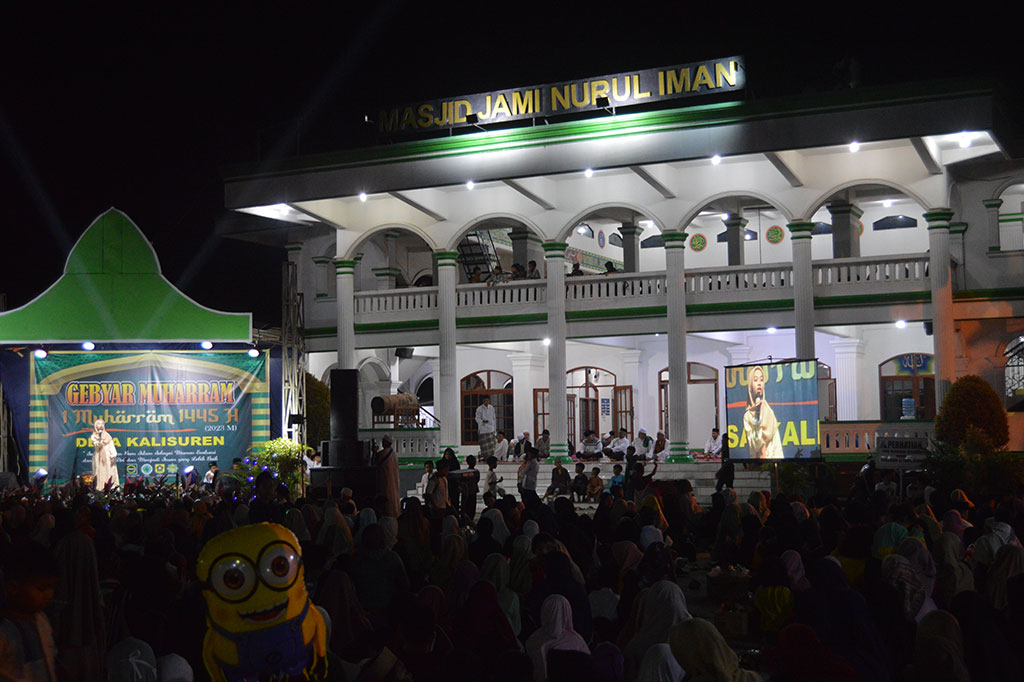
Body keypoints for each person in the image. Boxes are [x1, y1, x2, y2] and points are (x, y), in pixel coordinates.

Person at [0, 541, 58, 682]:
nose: (49, 595)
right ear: (13, 588)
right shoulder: (4, 631)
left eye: (51, 588)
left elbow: (51, 658)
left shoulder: (41, 620)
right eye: (41, 589)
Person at [743, 365, 783, 459]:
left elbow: (777, 445)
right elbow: (755, 445)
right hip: (757, 462)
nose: (759, 383)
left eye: (761, 380)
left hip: (773, 461)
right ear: (750, 386)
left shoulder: (769, 412)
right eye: (755, 380)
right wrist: (757, 414)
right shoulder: (747, 416)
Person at [371, 435, 401, 518]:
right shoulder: (393, 454)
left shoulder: (383, 453)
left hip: (385, 481)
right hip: (393, 481)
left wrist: (374, 452)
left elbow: (374, 462)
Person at [90, 418, 119, 490]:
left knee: (109, 472)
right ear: (96, 426)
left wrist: (113, 456)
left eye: (102, 424)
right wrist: (100, 439)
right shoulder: (94, 436)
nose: (101, 425)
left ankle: (111, 489)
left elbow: (111, 446)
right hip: (98, 457)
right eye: (99, 424)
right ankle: (100, 489)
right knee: (99, 473)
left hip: (108, 457)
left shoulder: (108, 436)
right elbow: (97, 446)